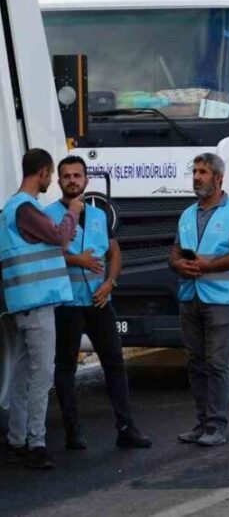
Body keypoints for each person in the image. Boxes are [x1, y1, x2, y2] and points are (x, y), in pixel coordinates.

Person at [46, 156, 152, 451]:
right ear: (58, 181)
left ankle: (126, 427)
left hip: (99, 300)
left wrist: (111, 282)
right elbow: (47, 253)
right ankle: (73, 432)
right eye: (66, 176)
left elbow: (114, 253)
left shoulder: (98, 215)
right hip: (66, 302)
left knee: (115, 363)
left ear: (86, 180)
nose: (72, 180)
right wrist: (75, 259)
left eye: (77, 175)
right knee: (66, 366)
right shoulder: (48, 215)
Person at [169, 153, 229, 447]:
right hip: (190, 295)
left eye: (203, 172)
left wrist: (207, 266)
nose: (196, 177)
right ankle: (202, 422)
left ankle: (216, 426)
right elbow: (176, 253)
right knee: (196, 363)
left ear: (218, 178)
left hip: (221, 299)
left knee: (217, 363)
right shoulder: (187, 214)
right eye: (194, 171)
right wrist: (180, 265)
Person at [1, 149, 76, 470]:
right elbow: (59, 237)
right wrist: (73, 211)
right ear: (44, 173)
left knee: (19, 374)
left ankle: (17, 439)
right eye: (50, 177)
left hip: (23, 303)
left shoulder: (10, 208)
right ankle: (36, 443)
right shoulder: (27, 208)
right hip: (37, 303)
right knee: (41, 374)